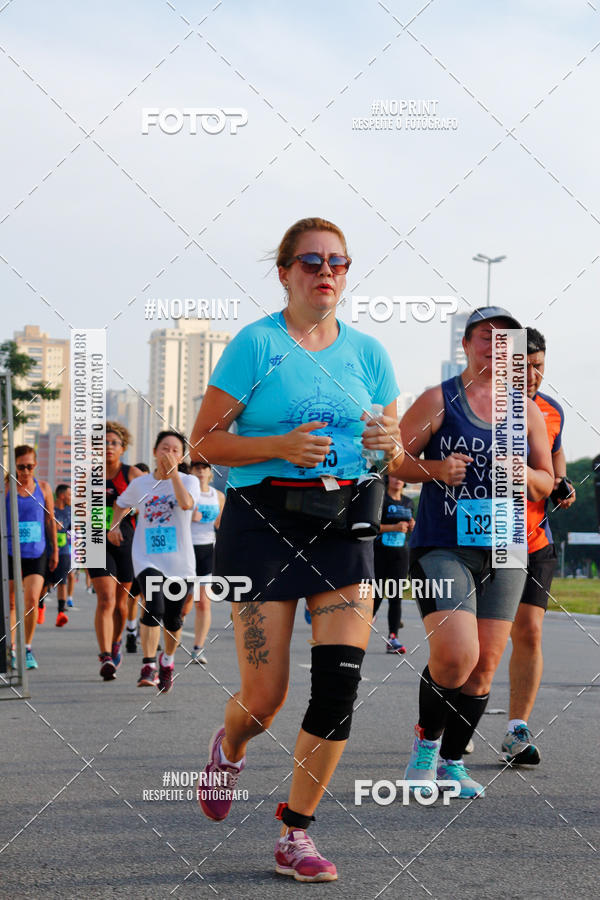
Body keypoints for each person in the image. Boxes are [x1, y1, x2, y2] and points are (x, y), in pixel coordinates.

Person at [190, 217, 402, 882]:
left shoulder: (369, 353)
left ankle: (296, 834)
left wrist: (384, 441)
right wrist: (280, 446)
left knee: (339, 687)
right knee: (266, 694)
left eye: (337, 261)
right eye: (310, 261)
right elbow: (205, 442)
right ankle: (229, 746)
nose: (325, 272)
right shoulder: (256, 345)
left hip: (343, 523)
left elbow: (390, 448)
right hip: (261, 521)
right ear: (285, 272)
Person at [391, 307, 554, 798]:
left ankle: (452, 762)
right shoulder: (440, 398)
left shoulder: (525, 410)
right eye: (486, 337)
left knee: (484, 664)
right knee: (456, 656)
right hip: (443, 543)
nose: (496, 346)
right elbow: (393, 460)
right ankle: (425, 746)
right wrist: (437, 468)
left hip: (506, 546)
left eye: (507, 340)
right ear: (466, 344)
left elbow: (547, 480)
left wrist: (525, 475)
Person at [502, 327, 576, 765]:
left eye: (538, 366)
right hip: (485, 537)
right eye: (522, 365)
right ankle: (448, 720)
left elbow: (557, 454)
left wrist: (561, 484)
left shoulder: (551, 411)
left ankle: (516, 728)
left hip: (534, 537)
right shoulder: (473, 408)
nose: (531, 375)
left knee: (528, 630)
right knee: (474, 643)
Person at [108, 430, 200, 692]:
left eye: (174, 450)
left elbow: (185, 504)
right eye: (164, 448)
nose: (169, 453)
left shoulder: (188, 481)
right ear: (154, 452)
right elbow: (121, 503)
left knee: (173, 619)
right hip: (147, 556)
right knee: (154, 608)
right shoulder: (141, 484)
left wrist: (174, 478)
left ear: (181, 457)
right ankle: (148, 663)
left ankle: (167, 660)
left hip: (180, 562)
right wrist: (115, 525)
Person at [88, 423, 143, 680]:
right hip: (97, 540)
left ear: (122, 448)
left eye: (113, 443)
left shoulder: (131, 474)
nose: (108, 447)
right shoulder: (88, 475)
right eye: (103, 443)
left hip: (128, 541)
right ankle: (105, 656)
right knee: (106, 599)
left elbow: (147, 505)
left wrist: (120, 521)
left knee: (122, 604)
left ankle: (116, 643)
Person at [6, 445, 58, 669]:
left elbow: (50, 521)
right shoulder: (6, 488)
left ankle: (26, 647)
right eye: (21, 467)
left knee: (30, 601)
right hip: (10, 551)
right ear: (14, 466)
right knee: (10, 603)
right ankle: (12, 649)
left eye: (30, 466)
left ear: (35, 465)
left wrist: (55, 549)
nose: (26, 471)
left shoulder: (44, 488)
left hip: (37, 552)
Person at [373, 475, 414, 653]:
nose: (398, 480)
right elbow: (372, 525)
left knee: (396, 597)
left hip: (401, 554)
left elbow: (413, 526)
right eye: (394, 476)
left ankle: (393, 638)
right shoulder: (381, 498)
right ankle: (360, 627)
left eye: (401, 477)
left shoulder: (408, 502)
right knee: (376, 594)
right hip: (380, 553)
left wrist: (412, 526)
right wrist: (393, 528)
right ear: (388, 479)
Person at [188, 460, 224, 664]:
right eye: (196, 468)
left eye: (204, 468)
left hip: (207, 551)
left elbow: (221, 525)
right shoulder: (186, 493)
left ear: (210, 472)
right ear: (191, 471)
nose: (201, 471)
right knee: (183, 604)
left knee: (203, 603)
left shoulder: (218, 496)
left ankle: (198, 648)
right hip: (185, 551)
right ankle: (170, 635)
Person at [124, 462, 151, 653]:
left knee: (150, 595)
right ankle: (132, 630)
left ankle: (148, 629)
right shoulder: (131, 495)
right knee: (133, 596)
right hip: (133, 548)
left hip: (152, 551)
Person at [49, 484, 72, 627]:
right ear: (62, 495)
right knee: (45, 583)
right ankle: (40, 606)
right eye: (70, 495)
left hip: (63, 550)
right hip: (48, 550)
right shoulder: (50, 510)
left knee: (63, 580)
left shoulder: (70, 511)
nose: (72, 498)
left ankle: (60, 613)